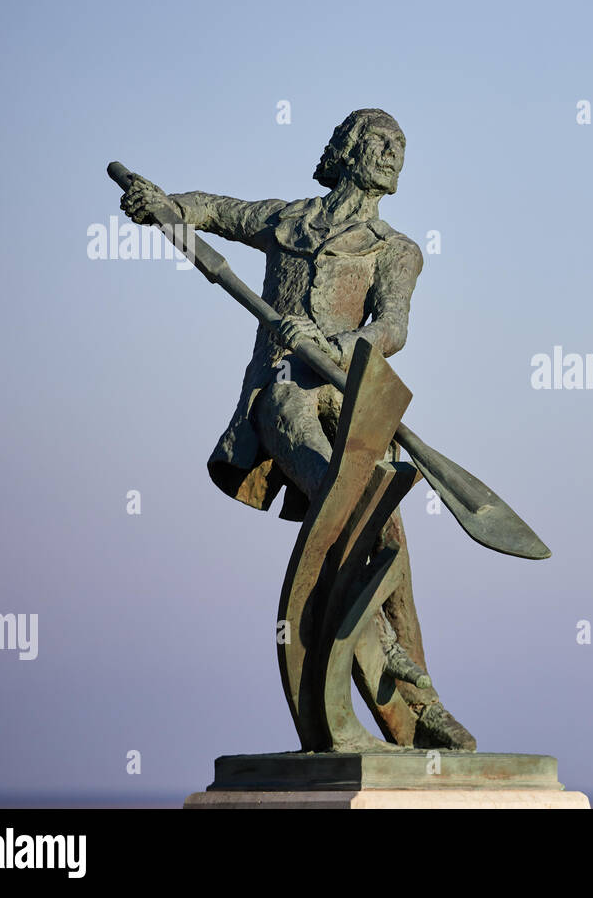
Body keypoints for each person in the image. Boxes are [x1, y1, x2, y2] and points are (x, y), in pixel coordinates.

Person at [120, 109, 474, 749]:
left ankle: (419, 707)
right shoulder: (287, 221)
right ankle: (383, 651)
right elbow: (214, 211)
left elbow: (391, 328)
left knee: (387, 535)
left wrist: (332, 339)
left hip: (348, 393)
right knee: (336, 487)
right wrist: (163, 204)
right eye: (380, 141)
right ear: (345, 150)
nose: (394, 153)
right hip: (281, 392)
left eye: (402, 146)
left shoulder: (397, 251)